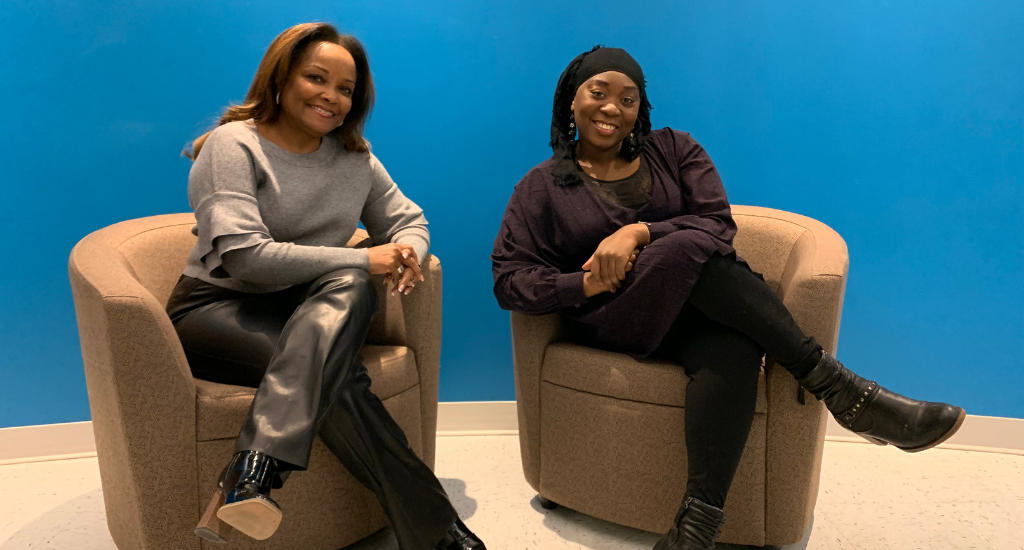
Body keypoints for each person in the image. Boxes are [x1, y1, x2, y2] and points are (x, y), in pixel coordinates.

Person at [490, 45, 964, 550]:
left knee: (734, 348)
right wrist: (582, 284)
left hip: (687, 313)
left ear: (639, 110)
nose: (612, 108)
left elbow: (719, 223)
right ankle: (839, 388)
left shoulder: (673, 149)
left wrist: (638, 232)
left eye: (628, 99)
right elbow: (509, 279)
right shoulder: (540, 188)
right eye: (599, 93)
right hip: (612, 320)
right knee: (689, 247)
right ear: (571, 101)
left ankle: (695, 530)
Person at [166, 23, 485, 550]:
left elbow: (410, 220)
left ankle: (253, 472)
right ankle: (443, 536)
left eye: (345, 89)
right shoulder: (232, 145)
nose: (331, 97)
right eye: (316, 78)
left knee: (352, 284)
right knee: (341, 368)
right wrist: (363, 261)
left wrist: (409, 253)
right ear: (281, 77)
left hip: (308, 313)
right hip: (217, 311)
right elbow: (245, 259)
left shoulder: (354, 158)